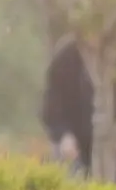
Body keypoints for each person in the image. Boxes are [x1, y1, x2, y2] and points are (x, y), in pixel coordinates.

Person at [40, 34, 96, 172]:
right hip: (73, 141)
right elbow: (52, 102)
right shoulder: (67, 55)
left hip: (106, 143)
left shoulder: (114, 54)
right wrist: (63, 134)